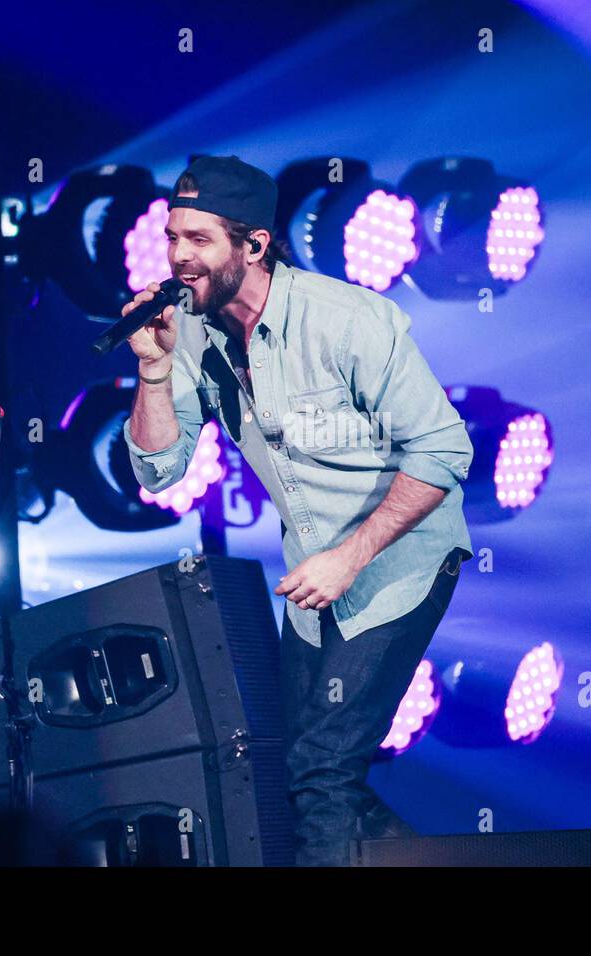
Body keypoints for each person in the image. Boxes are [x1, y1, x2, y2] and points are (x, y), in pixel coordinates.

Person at [122, 154, 473, 866]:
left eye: (198, 240)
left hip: (399, 558)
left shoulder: (347, 320)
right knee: (294, 768)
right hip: (315, 573)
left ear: (253, 245)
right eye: (171, 237)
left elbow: (442, 452)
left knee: (321, 767)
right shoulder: (187, 333)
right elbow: (160, 471)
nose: (177, 256)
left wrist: (351, 557)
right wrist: (153, 371)